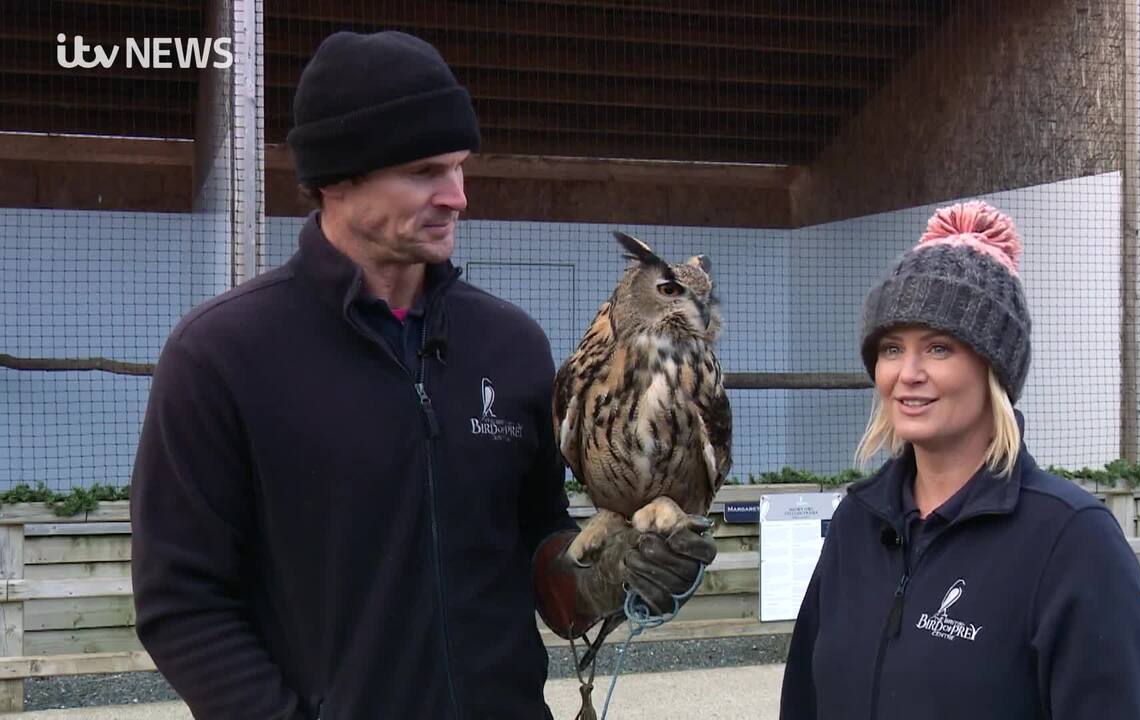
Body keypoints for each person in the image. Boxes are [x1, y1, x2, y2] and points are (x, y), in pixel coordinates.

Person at [130, 30, 714, 720]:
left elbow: (535, 536)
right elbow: (182, 603)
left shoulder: (510, 345)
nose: (457, 196)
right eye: (425, 172)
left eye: (461, 167)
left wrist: (600, 578)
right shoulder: (222, 355)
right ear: (338, 178)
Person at [780, 202, 1140, 719]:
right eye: (891, 348)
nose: (907, 373)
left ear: (994, 369)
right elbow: (803, 700)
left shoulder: (1072, 541)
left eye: (938, 348)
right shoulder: (857, 523)